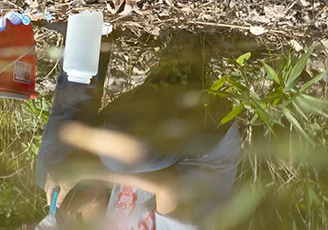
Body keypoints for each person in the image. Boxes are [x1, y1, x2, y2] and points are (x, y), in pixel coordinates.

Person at [31, 31, 241, 229]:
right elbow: (168, 186)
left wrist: (62, 216)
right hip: (204, 133)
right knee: (117, 161)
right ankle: (185, 52)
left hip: (148, 142)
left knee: (53, 172)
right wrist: (85, 170)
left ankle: (90, 36)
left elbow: (94, 195)